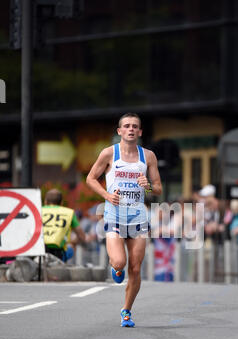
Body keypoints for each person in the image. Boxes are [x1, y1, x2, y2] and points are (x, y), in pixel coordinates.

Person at [86, 113, 162, 327]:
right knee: (120, 262)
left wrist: (146, 185)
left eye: (134, 126)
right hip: (114, 215)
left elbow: (158, 189)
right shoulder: (109, 153)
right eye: (126, 126)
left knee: (136, 269)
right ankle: (116, 268)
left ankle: (126, 311)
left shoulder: (148, 156)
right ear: (119, 131)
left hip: (138, 217)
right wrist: (107, 196)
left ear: (140, 132)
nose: (130, 129)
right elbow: (91, 178)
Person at [42, 189, 87, 262]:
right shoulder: (69, 212)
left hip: (40, 251)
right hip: (58, 253)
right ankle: (63, 266)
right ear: (61, 203)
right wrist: (73, 243)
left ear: (45, 201)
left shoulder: (38, 210)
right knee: (71, 246)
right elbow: (82, 236)